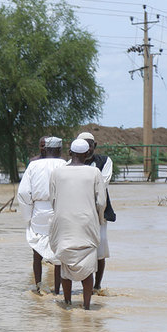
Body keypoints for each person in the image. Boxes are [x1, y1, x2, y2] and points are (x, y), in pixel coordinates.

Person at [49, 139, 106, 310]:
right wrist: (99, 219)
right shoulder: (95, 172)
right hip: (86, 222)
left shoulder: (57, 173)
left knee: (65, 263)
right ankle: (87, 306)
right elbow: (101, 201)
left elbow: (52, 199)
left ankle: (67, 302)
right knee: (88, 265)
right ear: (88, 154)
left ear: (70, 153)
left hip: (64, 222)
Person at [17, 137, 66, 294]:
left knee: (36, 252)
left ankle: (39, 287)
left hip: (38, 210)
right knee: (59, 253)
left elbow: (24, 192)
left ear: (46, 149)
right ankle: (57, 291)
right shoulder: (65, 165)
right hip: (59, 210)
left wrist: (28, 215)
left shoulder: (33, 165)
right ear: (59, 150)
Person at [77, 132, 115, 292]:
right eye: (83, 146)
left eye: (90, 145)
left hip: (100, 213)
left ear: (94, 146)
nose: (87, 149)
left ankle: (97, 286)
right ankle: (83, 286)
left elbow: (103, 183)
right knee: (79, 248)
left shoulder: (105, 161)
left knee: (100, 249)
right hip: (77, 212)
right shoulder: (68, 164)